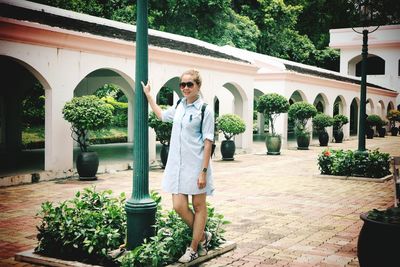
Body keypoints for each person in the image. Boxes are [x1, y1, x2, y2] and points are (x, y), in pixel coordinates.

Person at [141, 69, 214, 263]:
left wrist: (203, 172)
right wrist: (149, 96)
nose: (185, 88)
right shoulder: (180, 105)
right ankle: (204, 236)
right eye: (182, 84)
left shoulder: (205, 109)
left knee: (199, 206)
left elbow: (208, 142)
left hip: (197, 165)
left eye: (189, 84)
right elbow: (162, 116)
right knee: (179, 206)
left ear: (198, 86)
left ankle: (193, 247)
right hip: (177, 166)